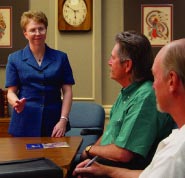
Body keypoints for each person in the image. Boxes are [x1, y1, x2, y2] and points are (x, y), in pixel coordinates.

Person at [73, 38, 185, 178]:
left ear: (172, 81)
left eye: (156, 77)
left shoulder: (175, 153)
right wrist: (99, 163)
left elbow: (123, 154)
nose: (153, 85)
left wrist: (89, 150)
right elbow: (147, 175)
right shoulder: (174, 140)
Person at [5, 10, 75, 137]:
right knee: (25, 157)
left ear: (46, 30)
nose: (38, 33)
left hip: (54, 123)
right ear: (25, 33)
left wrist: (63, 120)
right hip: (24, 122)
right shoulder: (14, 59)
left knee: (55, 157)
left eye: (41, 29)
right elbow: (11, 92)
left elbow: (67, 91)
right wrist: (16, 102)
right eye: (32, 30)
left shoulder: (61, 57)